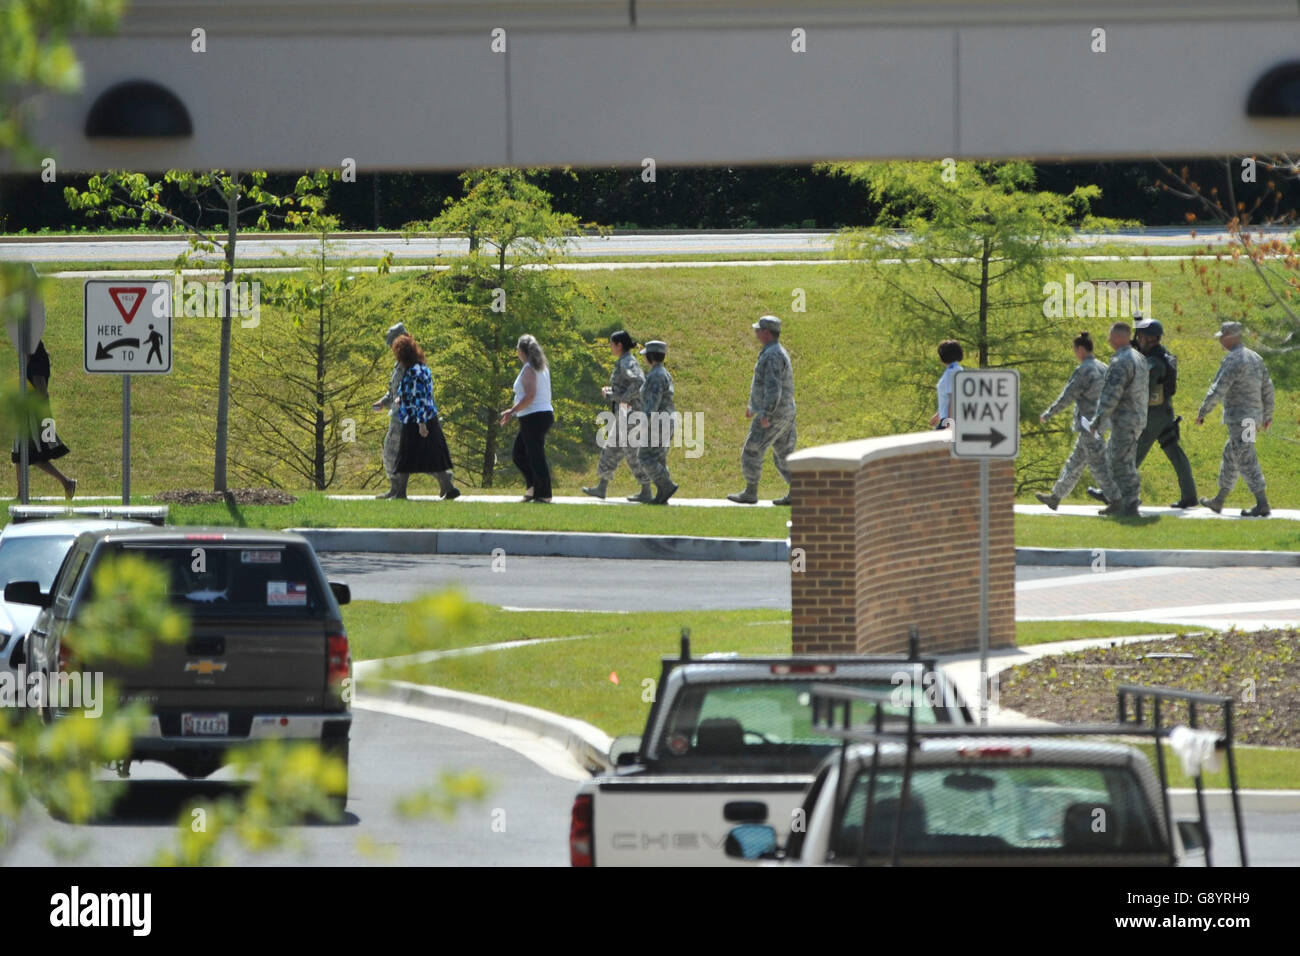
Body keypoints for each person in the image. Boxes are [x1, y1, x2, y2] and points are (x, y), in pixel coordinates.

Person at [1196, 320, 1275, 517]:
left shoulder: (1233, 360)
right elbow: (1268, 388)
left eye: (1222, 336)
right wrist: (1267, 415)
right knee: (1231, 454)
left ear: (1231, 337)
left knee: (1245, 456)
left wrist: (1203, 411)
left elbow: (1218, 387)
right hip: (1252, 418)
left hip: (1242, 419)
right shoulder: (1255, 358)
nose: (1220, 340)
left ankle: (1262, 503)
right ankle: (1219, 500)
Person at [727, 316, 797, 506]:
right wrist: (753, 407)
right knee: (784, 454)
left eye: (758, 329)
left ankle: (750, 492)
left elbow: (773, 388)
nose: (756, 332)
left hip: (774, 414)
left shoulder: (772, 355)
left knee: (752, 450)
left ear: (766, 333)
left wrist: (766, 413)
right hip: (785, 412)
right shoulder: (776, 351)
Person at [1034, 332, 1108, 511]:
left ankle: (1118, 498)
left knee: (1099, 466)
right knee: (1074, 463)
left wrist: (1048, 414)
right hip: (1100, 423)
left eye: (1075, 350)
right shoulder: (1104, 367)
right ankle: (1056, 497)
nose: (1075, 353)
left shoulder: (1084, 370)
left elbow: (1067, 396)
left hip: (1088, 424)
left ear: (1081, 349)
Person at [1130, 318, 1198, 508]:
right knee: (1175, 453)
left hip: (1153, 416)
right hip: (1165, 413)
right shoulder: (1163, 355)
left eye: (1140, 336)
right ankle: (1190, 495)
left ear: (1147, 338)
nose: (1138, 339)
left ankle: (1116, 493)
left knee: (1132, 454)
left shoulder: (1153, 362)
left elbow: (1143, 388)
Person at [1087, 322, 1149, 517]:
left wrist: (1097, 420)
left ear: (1119, 337)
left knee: (1120, 462)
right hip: (1137, 417)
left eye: (1110, 335)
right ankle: (1118, 501)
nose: (1108, 339)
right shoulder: (1139, 358)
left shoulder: (1121, 361)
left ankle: (1129, 504)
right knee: (1122, 459)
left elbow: (1111, 394)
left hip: (1124, 419)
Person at [583, 330, 653, 501]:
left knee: (631, 452)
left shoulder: (627, 362)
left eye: (611, 344)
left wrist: (621, 398)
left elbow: (639, 382)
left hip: (631, 415)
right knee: (611, 448)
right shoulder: (623, 361)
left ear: (619, 345)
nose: (610, 347)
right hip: (624, 414)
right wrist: (612, 393)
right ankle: (602, 487)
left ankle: (646, 490)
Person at [391, 333, 461, 500]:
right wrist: (401, 398)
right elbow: (414, 393)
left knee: (406, 455)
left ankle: (401, 493)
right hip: (428, 417)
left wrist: (421, 424)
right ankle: (449, 487)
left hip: (417, 420)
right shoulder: (422, 368)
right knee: (432, 455)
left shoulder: (413, 372)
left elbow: (420, 398)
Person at [11, 339, 76, 499]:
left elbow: (42, 392)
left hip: (33, 414)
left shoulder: (36, 366)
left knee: (31, 455)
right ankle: (22, 493)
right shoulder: (31, 363)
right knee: (19, 453)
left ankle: (66, 482)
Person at [501, 334, 555, 503]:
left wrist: (512, 411)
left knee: (535, 456)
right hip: (538, 416)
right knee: (519, 454)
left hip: (534, 417)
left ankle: (544, 494)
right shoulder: (541, 367)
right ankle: (533, 488)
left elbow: (530, 396)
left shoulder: (530, 369)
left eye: (517, 349)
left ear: (521, 351)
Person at [635, 340, 678, 505]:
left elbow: (652, 403)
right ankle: (662, 494)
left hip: (657, 421)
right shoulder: (663, 373)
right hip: (666, 419)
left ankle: (667, 485)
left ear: (650, 356)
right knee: (659, 458)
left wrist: (644, 424)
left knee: (645, 457)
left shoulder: (655, 376)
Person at [371, 322, 408, 499]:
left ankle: (399, 491)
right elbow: (393, 390)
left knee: (394, 451)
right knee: (394, 452)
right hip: (397, 414)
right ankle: (396, 489)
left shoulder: (410, 362)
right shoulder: (399, 363)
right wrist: (383, 401)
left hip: (404, 415)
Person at [929, 340, 963, 430]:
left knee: (934, 443)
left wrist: (949, 424)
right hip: (956, 419)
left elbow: (952, 398)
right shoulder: (959, 370)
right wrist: (938, 414)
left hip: (948, 421)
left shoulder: (950, 373)